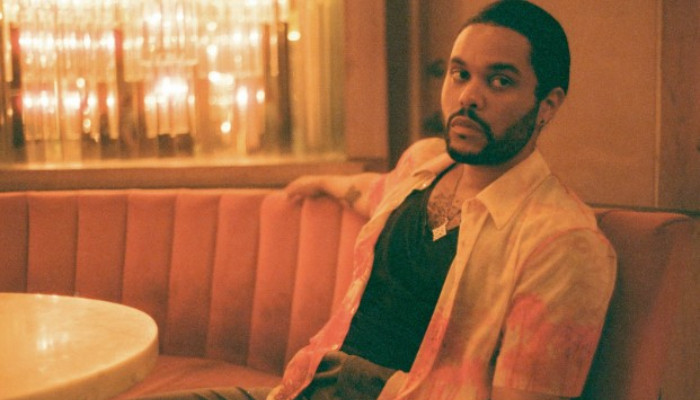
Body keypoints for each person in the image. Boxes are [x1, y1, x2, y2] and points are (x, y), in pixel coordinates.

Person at [137, 1, 616, 399]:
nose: (469, 97)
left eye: (500, 81)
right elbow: (373, 192)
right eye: (459, 74)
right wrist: (324, 181)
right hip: (306, 384)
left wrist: (373, 385)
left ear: (547, 105)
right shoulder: (423, 166)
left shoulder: (564, 244)